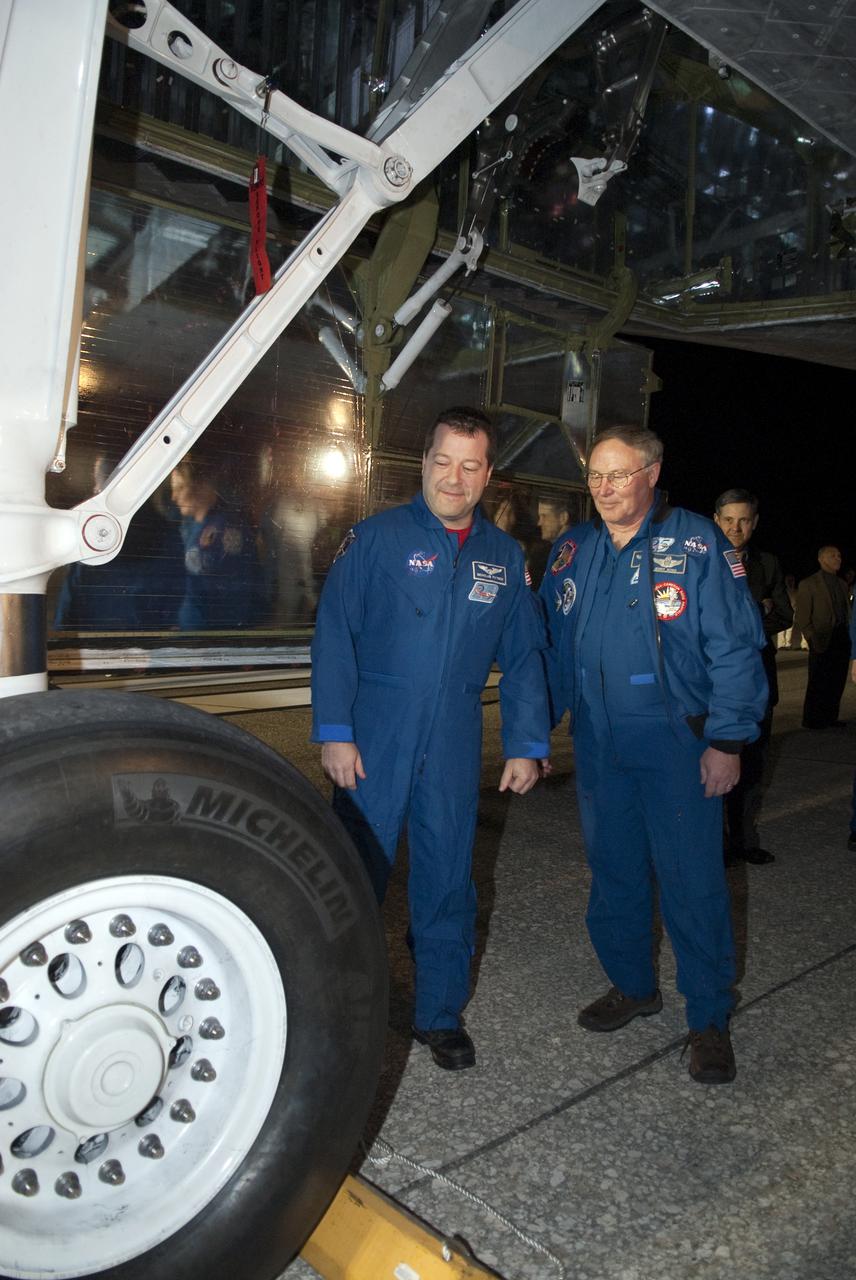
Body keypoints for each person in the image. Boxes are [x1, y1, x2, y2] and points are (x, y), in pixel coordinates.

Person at [311, 406, 550, 1070]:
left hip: (452, 735)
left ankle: (439, 1015)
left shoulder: (504, 559)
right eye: (443, 461)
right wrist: (335, 732)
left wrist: (527, 741)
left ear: (488, 474)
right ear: (423, 463)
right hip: (374, 734)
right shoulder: (375, 539)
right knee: (352, 879)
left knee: (448, 878)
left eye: (470, 465)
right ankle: (331, 1011)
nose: (455, 477)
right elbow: (335, 637)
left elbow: (527, 656)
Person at [540, 426, 766, 1085]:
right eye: (596, 478)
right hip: (600, 744)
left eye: (620, 475)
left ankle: (709, 1019)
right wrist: (533, 734)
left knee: (692, 882)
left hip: (675, 743)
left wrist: (726, 741)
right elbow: (551, 649)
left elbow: (734, 649)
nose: (605, 489)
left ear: (652, 472)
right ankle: (634, 986)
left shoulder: (697, 542)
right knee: (613, 873)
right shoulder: (573, 549)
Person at [713, 488, 792, 865]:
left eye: (743, 519)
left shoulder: (768, 564)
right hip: (712, 684)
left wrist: (752, 620)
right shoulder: (701, 559)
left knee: (753, 767)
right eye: (728, 519)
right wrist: (754, 614)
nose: (736, 526)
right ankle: (716, 843)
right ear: (716, 520)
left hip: (758, 681)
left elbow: (785, 615)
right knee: (712, 763)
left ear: (754, 523)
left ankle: (744, 841)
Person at [170, 456, 267, 629]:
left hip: (211, 642)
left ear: (202, 485)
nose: (174, 496)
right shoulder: (191, 525)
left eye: (180, 487)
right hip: (191, 636)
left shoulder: (226, 531)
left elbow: (231, 598)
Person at [794, 546, 852, 729]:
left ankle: (830, 717)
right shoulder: (809, 584)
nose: (838, 558)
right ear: (821, 559)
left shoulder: (842, 584)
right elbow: (803, 617)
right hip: (822, 638)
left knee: (837, 680)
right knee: (818, 682)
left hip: (841, 638)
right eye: (833, 555)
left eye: (839, 555)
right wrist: (812, 638)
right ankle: (812, 719)